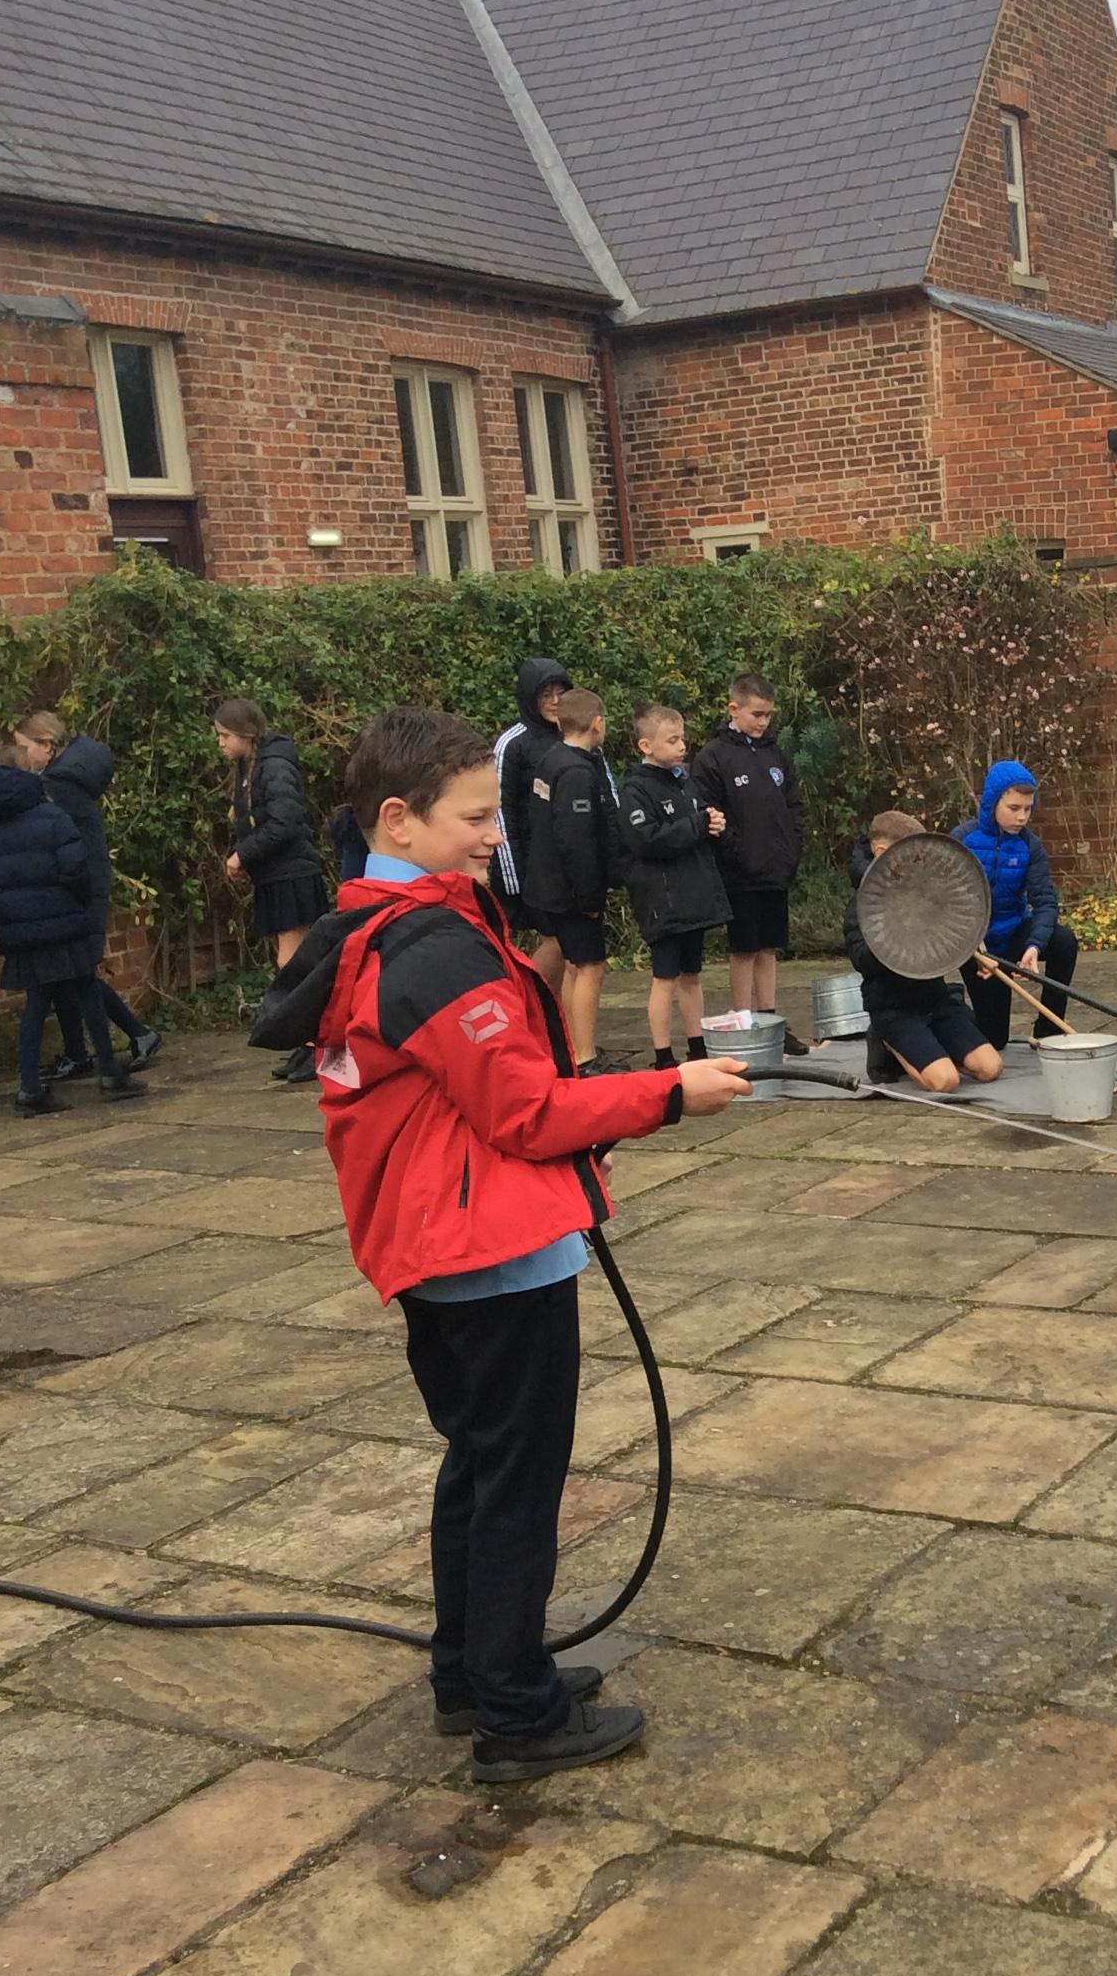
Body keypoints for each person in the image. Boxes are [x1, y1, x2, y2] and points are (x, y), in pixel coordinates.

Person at [249, 703, 751, 1783]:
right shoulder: (431, 949)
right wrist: (669, 1091)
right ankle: (516, 1715)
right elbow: (522, 1110)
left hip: (443, 1241)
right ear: (399, 818)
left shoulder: (385, 924)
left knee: (479, 1465)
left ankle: (472, 1674)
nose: (494, 835)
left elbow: (467, 1102)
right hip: (486, 1254)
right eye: (475, 818)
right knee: (515, 1481)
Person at [0, 742, 146, 1116]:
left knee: (36, 1004)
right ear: (24, 772)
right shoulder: (52, 816)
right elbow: (76, 870)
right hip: (64, 921)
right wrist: (77, 907)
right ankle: (110, 1074)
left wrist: (8, 911)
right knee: (87, 990)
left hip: (19, 930)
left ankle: (29, 1088)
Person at [13, 711, 161, 1081]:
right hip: (83, 885)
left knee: (78, 972)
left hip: (81, 889)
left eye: (24, 747)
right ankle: (84, 1051)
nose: (20, 755)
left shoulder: (57, 785)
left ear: (46, 746)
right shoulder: (60, 780)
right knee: (69, 973)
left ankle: (136, 1034)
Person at [690, 671, 808, 1054]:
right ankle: (744, 1022)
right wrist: (736, 852)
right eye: (757, 714)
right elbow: (709, 813)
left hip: (775, 869)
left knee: (769, 948)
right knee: (744, 950)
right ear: (734, 709)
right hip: (739, 874)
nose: (763, 722)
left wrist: (790, 850)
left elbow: (794, 805)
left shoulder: (775, 754)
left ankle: (770, 1021)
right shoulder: (713, 757)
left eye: (768, 715)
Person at [847, 811, 1003, 1094]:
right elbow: (861, 960)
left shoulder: (924, 892)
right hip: (893, 1008)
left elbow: (947, 937)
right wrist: (899, 938)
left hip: (934, 998)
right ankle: (885, 1041)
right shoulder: (863, 903)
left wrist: (973, 951)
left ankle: (933, 1048)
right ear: (881, 852)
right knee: (945, 1082)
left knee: (990, 1068)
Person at [214, 696, 327, 1084]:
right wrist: (245, 858)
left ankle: (314, 1043)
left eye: (225, 735)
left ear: (245, 733)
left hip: (292, 874)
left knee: (291, 962)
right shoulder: (250, 767)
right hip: (276, 875)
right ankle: (309, 1041)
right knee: (296, 962)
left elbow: (284, 821)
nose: (221, 743)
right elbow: (256, 820)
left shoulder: (274, 765)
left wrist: (242, 856)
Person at [615, 704, 730, 1071]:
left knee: (692, 976)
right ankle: (663, 1055)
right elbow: (646, 839)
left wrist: (713, 825)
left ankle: (698, 1047)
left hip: (693, 895)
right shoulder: (635, 790)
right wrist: (697, 825)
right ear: (646, 746)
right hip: (662, 901)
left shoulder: (686, 781)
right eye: (672, 740)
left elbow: (698, 823)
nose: (682, 746)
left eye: (682, 738)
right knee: (664, 978)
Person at [525, 688, 625, 1073]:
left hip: (548, 885)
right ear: (597, 723)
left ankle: (572, 1048)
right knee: (591, 967)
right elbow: (577, 840)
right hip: (571, 891)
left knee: (574, 965)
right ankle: (584, 1057)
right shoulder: (577, 772)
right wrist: (589, 896)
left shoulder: (550, 760)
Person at [952, 761, 1080, 1052]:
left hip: (1012, 935)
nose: (1022, 817)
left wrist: (1034, 947)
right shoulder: (962, 840)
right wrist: (973, 942)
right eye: (1014, 808)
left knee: (1063, 941)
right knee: (994, 1040)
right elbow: (945, 901)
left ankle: (1049, 1032)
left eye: (1028, 809)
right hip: (974, 945)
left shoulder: (1030, 846)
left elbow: (1045, 902)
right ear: (992, 803)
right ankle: (950, 1007)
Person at [490, 656, 573, 995]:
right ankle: (520, 1001)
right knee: (556, 941)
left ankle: (553, 1016)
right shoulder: (512, 743)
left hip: (570, 863)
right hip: (531, 866)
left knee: (572, 949)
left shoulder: (575, 734)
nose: (555, 702)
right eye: (545, 695)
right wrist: (513, 875)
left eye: (560, 693)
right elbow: (499, 807)